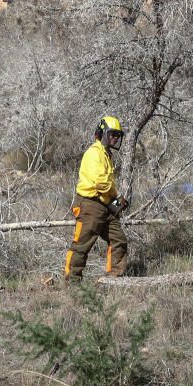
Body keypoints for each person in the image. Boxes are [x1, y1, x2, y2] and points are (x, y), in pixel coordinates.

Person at [64, 115, 130, 282]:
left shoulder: (106, 154)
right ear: (103, 133)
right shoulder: (94, 153)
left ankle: (114, 278)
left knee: (119, 240)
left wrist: (115, 201)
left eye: (117, 135)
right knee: (82, 245)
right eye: (112, 134)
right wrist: (117, 196)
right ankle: (72, 282)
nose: (115, 138)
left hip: (105, 205)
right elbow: (101, 183)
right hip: (90, 205)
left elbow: (106, 184)